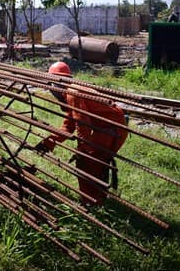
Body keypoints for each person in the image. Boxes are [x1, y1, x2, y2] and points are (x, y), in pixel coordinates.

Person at [34, 61, 128, 206]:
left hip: (112, 128)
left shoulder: (73, 93)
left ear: (56, 83)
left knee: (88, 162)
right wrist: (49, 141)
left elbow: (83, 125)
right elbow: (69, 124)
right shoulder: (71, 90)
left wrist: (83, 150)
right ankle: (95, 199)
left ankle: (92, 202)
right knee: (94, 162)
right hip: (107, 127)